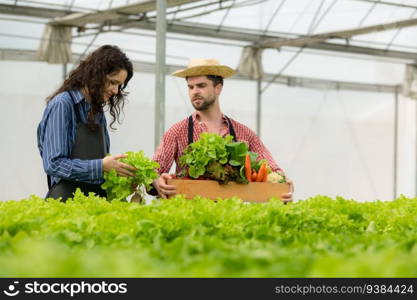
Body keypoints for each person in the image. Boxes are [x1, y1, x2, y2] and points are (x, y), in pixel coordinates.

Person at [152, 58, 293, 202]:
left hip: (230, 214)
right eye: (191, 87)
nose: (195, 92)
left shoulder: (243, 133)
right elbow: (153, 170)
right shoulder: (177, 131)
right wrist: (156, 180)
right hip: (189, 213)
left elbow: (271, 166)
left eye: (201, 86)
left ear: (218, 88)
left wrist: (283, 180)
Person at [37, 45, 137, 201]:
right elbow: (54, 164)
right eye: (112, 82)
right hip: (65, 203)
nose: (116, 91)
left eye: (119, 85)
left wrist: (120, 178)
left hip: (94, 203)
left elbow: (100, 162)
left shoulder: (96, 111)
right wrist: (100, 167)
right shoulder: (63, 105)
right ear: (95, 75)